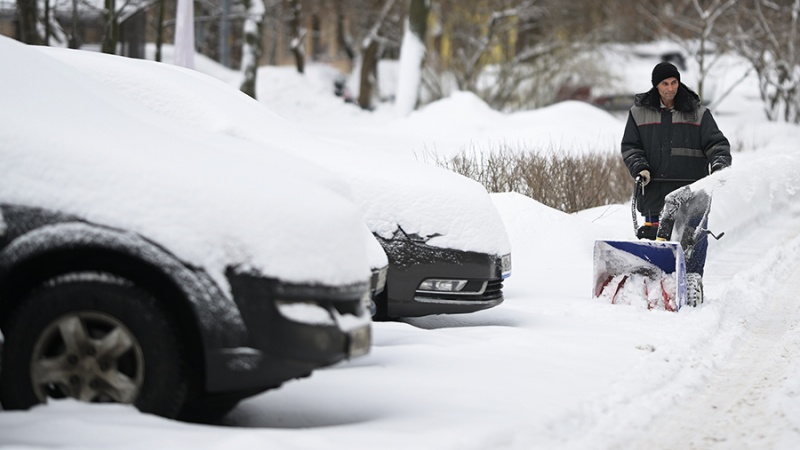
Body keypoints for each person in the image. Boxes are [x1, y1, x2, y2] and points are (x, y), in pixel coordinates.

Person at [620, 61, 732, 305]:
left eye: (674, 82)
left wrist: (719, 165)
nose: (670, 88)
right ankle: (656, 283)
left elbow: (718, 145)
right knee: (656, 236)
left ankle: (692, 279)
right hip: (655, 189)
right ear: (656, 86)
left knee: (693, 237)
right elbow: (630, 146)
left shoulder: (698, 113)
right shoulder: (638, 113)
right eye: (665, 84)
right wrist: (640, 168)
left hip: (694, 190)